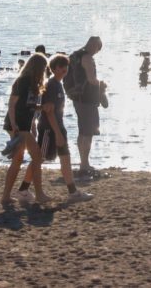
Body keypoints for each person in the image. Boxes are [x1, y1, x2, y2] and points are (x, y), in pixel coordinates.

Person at [21, 54, 93, 204]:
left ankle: (73, 192)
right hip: (49, 130)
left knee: (65, 159)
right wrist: (57, 133)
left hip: (59, 128)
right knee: (38, 159)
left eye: (65, 66)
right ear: (53, 69)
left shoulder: (59, 84)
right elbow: (49, 112)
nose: (64, 69)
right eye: (60, 67)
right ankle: (23, 189)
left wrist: (61, 131)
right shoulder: (51, 85)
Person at [1, 53, 52, 206]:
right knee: (37, 155)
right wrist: (15, 124)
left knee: (17, 160)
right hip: (16, 125)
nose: (44, 71)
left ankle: (6, 196)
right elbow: (12, 104)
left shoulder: (34, 84)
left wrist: (36, 118)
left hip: (24, 125)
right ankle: (39, 194)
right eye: (43, 68)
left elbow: (29, 106)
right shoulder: (22, 81)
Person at [69, 36, 105, 178]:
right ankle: (84, 164)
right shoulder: (87, 58)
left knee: (82, 130)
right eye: (98, 48)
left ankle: (83, 161)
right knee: (88, 131)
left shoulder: (76, 55)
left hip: (76, 97)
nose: (97, 51)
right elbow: (91, 79)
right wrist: (102, 83)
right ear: (95, 46)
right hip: (87, 98)